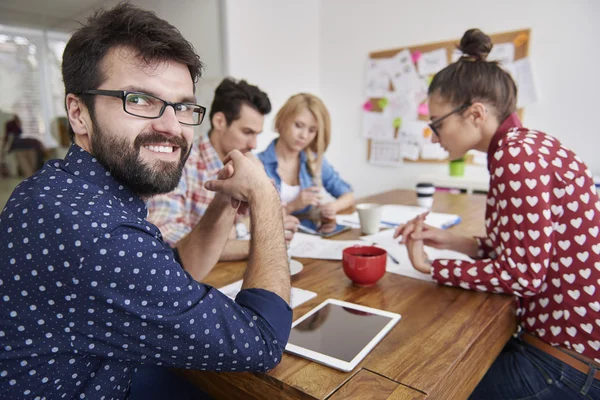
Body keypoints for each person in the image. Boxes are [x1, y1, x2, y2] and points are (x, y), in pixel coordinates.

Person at [0, 4, 292, 400]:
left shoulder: (57, 189)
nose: (171, 127)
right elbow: (263, 341)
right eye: (139, 100)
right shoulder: (101, 235)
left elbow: (180, 266)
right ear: (78, 113)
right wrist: (265, 196)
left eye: (184, 107)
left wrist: (227, 200)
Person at [396, 29, 599, 399]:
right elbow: (528, 249)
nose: (433, 137)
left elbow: (523, 276)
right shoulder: (526, 145)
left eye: (436, 124)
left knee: (435, 385)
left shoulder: (515, 157)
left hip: (569, 363)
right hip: (570, 349)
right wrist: (457, 243)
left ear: (475, 113)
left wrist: (430, 267)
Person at [146, 77, 299, 261]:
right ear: (219, 121)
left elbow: (276, 209)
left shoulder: (248, 161)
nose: (254, 144)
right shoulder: (179, 161)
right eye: (247, 132)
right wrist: (250, 236)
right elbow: (169, 238)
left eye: (257, 134)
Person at [258, 93, 354, 219]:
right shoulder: (258, 165)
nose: (304, 136)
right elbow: (255, 219)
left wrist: (332, 207)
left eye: (312, 130)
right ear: (282, 121)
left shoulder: (314, 161)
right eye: (298, 125)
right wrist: (293, 206)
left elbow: (348, 195)